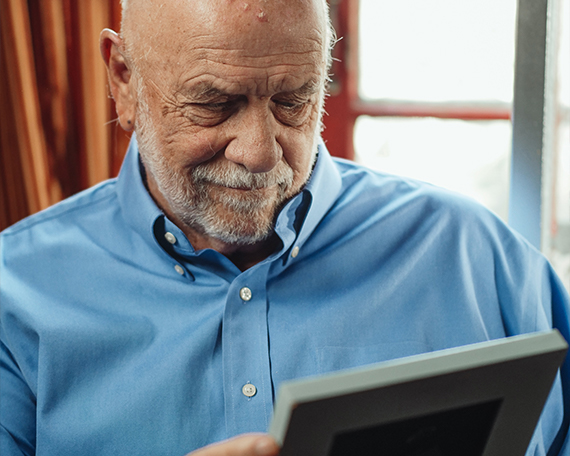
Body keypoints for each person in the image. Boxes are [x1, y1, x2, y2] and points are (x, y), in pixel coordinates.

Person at [1, 0, 569, 455]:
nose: (258, 152)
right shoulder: (14, 296)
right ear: (124, 79)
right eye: (214, 104)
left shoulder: (479, 260)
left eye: (293, 101)